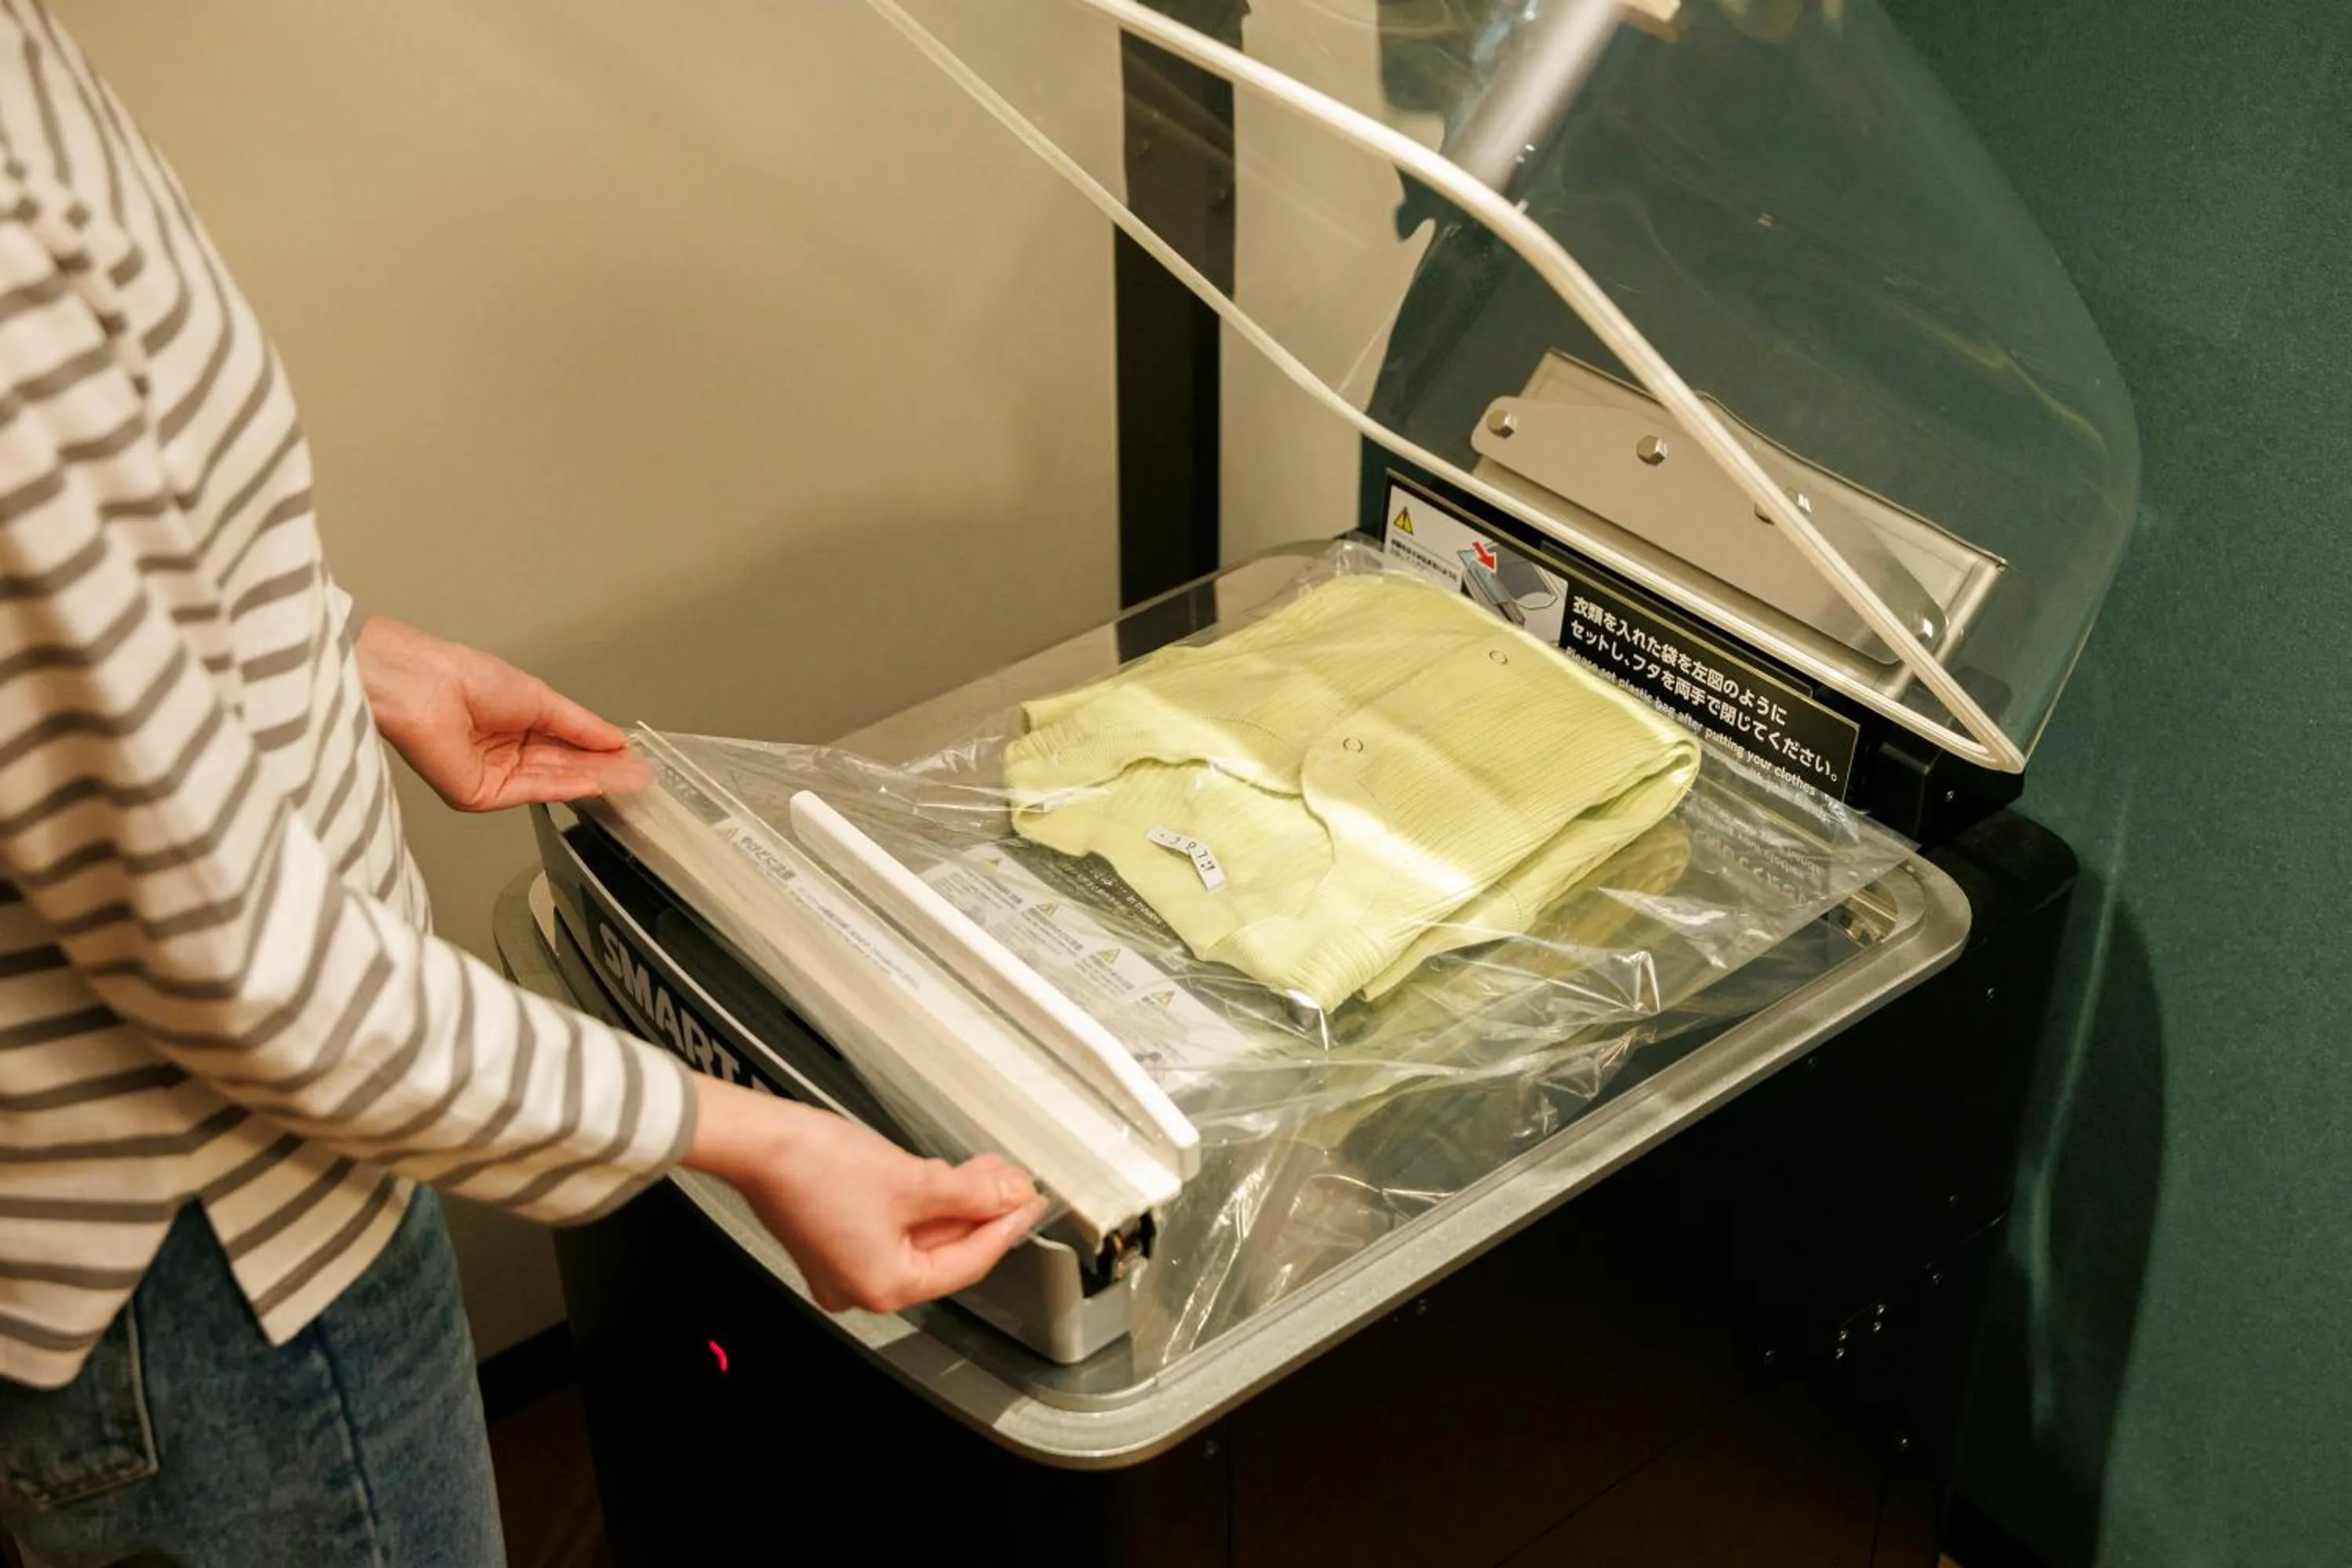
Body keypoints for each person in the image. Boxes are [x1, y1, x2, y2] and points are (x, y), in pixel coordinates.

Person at [0, 5, 1045, 1563]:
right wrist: (750, 1137)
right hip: (222, 1266)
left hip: (249, 1207)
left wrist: (335, 646)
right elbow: (244, 972)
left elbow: (93, 591)